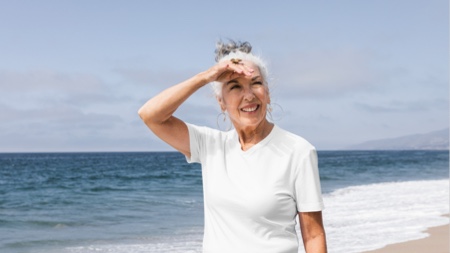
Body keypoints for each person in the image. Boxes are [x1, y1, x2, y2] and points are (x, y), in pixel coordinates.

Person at [138, 40, 327, 253]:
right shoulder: (210, 145)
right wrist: (206, 77)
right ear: (221, 102)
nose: (248, 95)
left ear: (268, 93)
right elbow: (150, 115)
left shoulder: (298, 151)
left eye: (256, 83)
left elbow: (313, 235)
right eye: (235, 86)